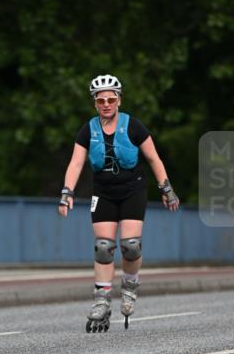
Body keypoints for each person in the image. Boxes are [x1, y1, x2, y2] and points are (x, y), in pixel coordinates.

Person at [58, 74, 179, 332]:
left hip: (132, 190)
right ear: (95, 104)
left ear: (119, 100)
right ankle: (102, 301)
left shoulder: (134, 126)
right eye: (101, 100)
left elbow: (154, 159)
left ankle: (130, 284)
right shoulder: (87, 130)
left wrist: (167, 190)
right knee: (104, 247)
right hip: (103, 193)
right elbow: (76, 163)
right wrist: (66, 193)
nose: (106, 104)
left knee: (131, 246)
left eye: (111, 99)